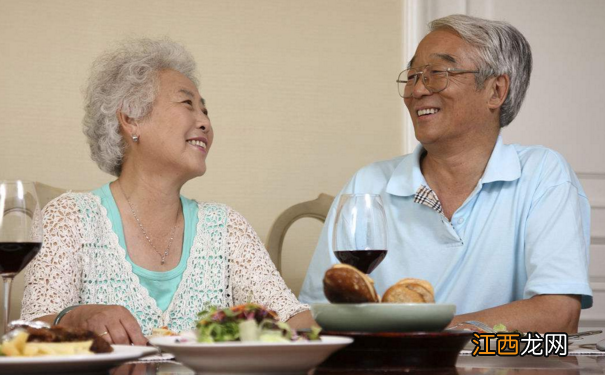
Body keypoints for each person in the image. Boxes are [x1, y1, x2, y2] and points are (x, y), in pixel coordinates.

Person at [299, 14, 591, 333]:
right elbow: (316, 314)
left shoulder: (542, 175)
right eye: (412, 76)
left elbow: (558, 317)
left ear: (496, 90)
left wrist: (427, 340)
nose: (418, 90)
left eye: (437, 73)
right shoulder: (368, 184)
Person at [21, 38, 314, 345]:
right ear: (131, 118)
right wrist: (74, 318)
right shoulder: (69, 218)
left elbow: (296, 323)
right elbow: (27, 335)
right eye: (187, 103)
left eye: (206, 110)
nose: (205, 122)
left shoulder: (226, 227)